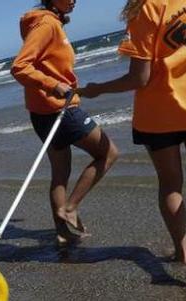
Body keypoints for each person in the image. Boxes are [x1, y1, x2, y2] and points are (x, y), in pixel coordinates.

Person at [78, 0, 186, 276]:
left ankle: (182, 253)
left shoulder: (149, 6)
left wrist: (97, 89)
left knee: (170, 184)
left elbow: (139, 78)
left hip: (158, 114)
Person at [11, 0, 118, 247]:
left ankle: (62, 232)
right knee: (109, 153)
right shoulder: (47, 23)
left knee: (61, 172)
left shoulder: (46, 22)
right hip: (60, 109)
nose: (73, 0)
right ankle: (70, 208)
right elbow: (19, 67)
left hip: (41, 110)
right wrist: (53, 84)